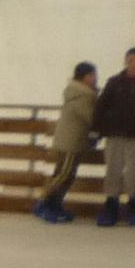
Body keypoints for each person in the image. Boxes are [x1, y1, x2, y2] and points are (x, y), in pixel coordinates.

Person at [91, 46, 135, 227]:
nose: (134, 64)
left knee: (132, 171)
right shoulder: (114, 82)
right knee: (113, 169)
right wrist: (96, 129)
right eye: (131, 61)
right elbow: (101, 106)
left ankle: (134, 206)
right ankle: (111, 206)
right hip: (115, 133)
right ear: (125, 62)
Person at [34, 63, 97, 223]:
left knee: (66, 174)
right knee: (64, 174)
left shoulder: (79, 93)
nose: (95, 79)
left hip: (71, 139)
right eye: (92, 75)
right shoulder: (82, 96)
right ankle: (43, 202)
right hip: (71, 141)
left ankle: (54, 204)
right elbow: (91, 118)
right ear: (85, 77)